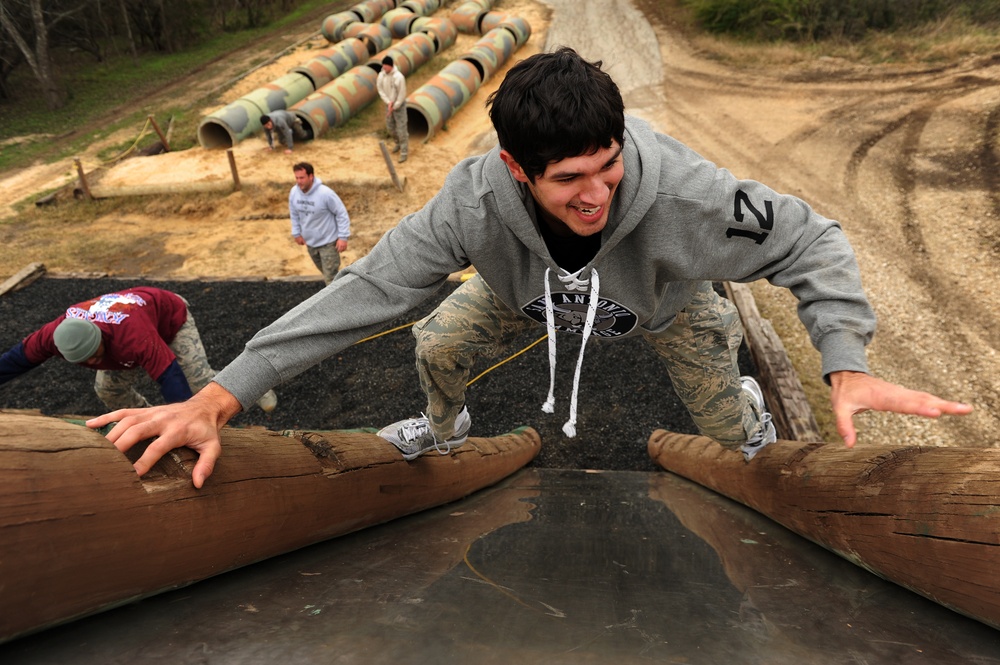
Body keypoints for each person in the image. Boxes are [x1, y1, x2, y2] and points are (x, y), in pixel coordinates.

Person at [89, 48, 971, 489]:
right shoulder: (472, 203)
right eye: (568, 180)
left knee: (727, 425)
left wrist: (844, 359)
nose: (596, 194)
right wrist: (220, 395)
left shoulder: (684, 196)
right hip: (526, 298)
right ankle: (443, 426)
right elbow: (367, 289)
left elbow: (811, 239)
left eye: (607, 165)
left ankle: (741, 425)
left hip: (662, 305)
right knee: (434, 341)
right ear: (518, 169)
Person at [0, 286, 277, 412]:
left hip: (169, 317)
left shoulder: (133, 336)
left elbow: (171, 377)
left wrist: (181, 422)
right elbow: (16, 360)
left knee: (199, 383)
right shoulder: (52, 335)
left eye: (97, 352)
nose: (96, 361)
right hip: (127, 337)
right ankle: (147, 422)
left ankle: (256, 385)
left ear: (99, 337)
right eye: (89, 360)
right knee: (108, 390)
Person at [289, 162, 351, 285]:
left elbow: (341, 213)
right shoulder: (294, 193)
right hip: (311, 243)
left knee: (330, 278)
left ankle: (336, 302)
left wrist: (343, 237)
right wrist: (296, 233)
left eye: (302, 178)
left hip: (328, 243)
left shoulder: (325, 193)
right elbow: (294, 214)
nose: (299, 181)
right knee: (328, 275)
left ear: (311, 176)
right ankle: (345, 289)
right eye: (296, 178)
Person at [376, 55, 408, 163]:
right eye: (383, 66)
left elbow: (402, 93)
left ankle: (404, 152)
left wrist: (394, 105)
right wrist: (388, 102)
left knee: (401, 128)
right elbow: (380, 90)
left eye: (386, 66)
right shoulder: (381, 76)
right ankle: (397, 143)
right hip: (388, 104)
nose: (384, 68)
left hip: (399, 106)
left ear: (391, 66)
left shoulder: (399, 77)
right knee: (390, 127)